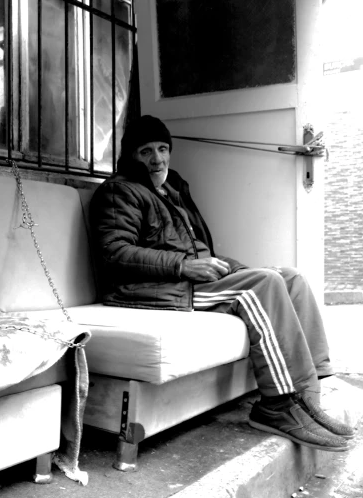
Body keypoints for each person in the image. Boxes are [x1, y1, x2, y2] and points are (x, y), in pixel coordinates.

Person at [90, 115, 356, 452]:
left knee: (292, 278)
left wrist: (233, 268)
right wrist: (186, 266)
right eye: (145, 151)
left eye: (162, 148)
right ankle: (279, 406)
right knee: (260, 285)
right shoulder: (119, 191)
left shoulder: (172, 190)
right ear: (130, 156)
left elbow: (201, 250)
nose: (157, 159)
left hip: (184, 278)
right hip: (148, 289)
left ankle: (312, 395)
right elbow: (115, 253)